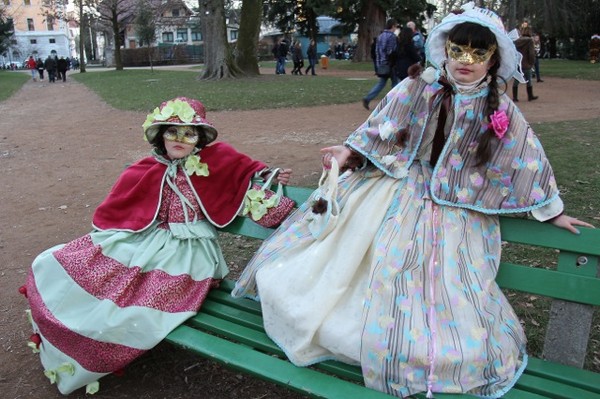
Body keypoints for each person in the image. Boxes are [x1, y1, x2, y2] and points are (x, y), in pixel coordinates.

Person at [232, 3, 593, 398]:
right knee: (363, 261)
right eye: (459, 50)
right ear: (445, 50)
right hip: (396, 191)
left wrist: (550, 210)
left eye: (479, 53)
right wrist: (349, 154)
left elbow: (524, 159)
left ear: (494, 59)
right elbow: (381, 129)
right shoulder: (418, 86)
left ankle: (416, 347)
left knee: (439, 281)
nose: (466, 61)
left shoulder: (500, 109)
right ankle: (349, 331)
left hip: (454, 211)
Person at [20, 97, 292, 395]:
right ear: (160, 135)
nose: (179, 139)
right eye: (172, 132)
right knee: (67, 265)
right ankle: (71, 334)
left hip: (187, 252)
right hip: (144, 239)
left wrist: (271, 182)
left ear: (199, 138)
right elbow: (125, 203)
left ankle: (104, 339)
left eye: (189, 133)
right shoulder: (149, 167)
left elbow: (246, 176)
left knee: (138, 303)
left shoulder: (216, 164)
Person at [362, 18, 399, 110]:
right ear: (393, 26)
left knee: (381, 83)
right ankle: (393, 102)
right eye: (395, 26)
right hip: (390, 64)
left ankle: (368, 98)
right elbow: (391, 51)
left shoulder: (380, 36)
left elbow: (378, 50)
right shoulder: (392, 37)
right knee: (395, 83)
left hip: (381, 63)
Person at [513, 25, 538, 101]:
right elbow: (531, 53)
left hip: (518, 63)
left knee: (516, 81)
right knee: (529, 80)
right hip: (527, 63)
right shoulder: (529, 41)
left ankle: (515, 97)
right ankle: (530, 96)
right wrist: (532, 62)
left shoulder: (516, 41)